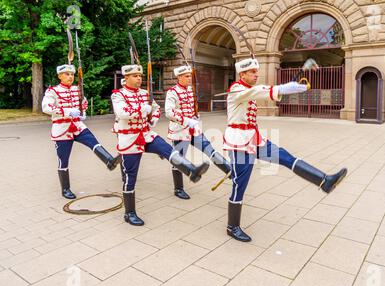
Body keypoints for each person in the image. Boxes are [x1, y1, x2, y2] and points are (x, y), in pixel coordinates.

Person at [223, 57, 348, 242]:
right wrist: (285, 88)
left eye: (257, 72)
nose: (256, 75)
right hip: (239, 143)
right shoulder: (236, 89)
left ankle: (324, 181)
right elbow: (261, 91)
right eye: (252, 72)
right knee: (240, 184)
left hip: (254, 138)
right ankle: (232, 226)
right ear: (242, 74)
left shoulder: (248, 90)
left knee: (286, 158)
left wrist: (285, 88)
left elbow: (261, 91)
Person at [111, 64, 210, 226]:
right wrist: (144, 109)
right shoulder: (118, 95)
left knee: (167, 149)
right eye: (135, 76)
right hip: (129, 139)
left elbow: (156, 109)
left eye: (140, 76)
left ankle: (191, 170)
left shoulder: (145, 93)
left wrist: (153, 119)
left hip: (146, 134)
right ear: (126, 78)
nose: (139, 79)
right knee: (130, 177)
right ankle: (129, 213)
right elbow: (122, 112)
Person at [42, 64, 120, 199]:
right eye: (67, 74)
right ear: (59, 76)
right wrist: (67, 111)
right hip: (62, 128)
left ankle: (109, 160)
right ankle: (65, 189)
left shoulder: (77, 89)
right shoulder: (52, 91)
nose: (70, 77)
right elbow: (46, 107)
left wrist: (82, 112)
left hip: (77, 125)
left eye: (72, 74)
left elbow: (83, 103)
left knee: (93, 141)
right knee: (63, 160)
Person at [165, 65, 231, 200]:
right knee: (179, 160)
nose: (190, 78)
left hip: (194, 130)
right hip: (180, 131)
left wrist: (196, 116)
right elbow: (169, 112)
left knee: (209, 149)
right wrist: (187, 120)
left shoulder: (190, 90)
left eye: (190, 76)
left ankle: (229, 170)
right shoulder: (172, 92)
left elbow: (192, 107)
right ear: (179, 77)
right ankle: (178, 189)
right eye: (187, 76)